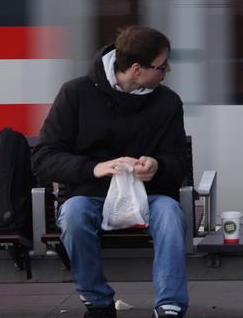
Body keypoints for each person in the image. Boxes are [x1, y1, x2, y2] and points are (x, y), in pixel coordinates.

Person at [33, 26, 191, 318]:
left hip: (150, 195)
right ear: (136, 69)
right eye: (161, 65)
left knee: (170, 214)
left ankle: (170, 306)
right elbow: (44, 158)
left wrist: (158, 166)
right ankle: (98, 303)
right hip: (90, 193)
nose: (167, 70)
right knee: (74, 215)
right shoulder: (76, 93)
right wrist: (94, 168)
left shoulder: (167, 102)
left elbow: (178, 160)